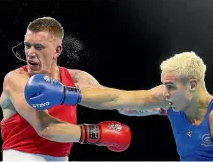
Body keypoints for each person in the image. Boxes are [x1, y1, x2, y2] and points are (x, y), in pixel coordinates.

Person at [25, 51, 213, 161]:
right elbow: (119, 99)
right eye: (164, 84)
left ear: (193, 85)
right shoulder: (170, 100)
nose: (165, 92)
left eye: (171, 86)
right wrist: (65, 94)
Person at [0, 17, 131, 161]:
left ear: (57, 50)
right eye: (27, 45)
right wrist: (99, 133)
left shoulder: (76, 78)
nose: (30, 53)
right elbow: (46, 127)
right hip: (21, 157)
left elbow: (114, 100)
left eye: (38, 47)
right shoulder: (16, 79)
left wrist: (154, 107)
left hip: (61, 158)